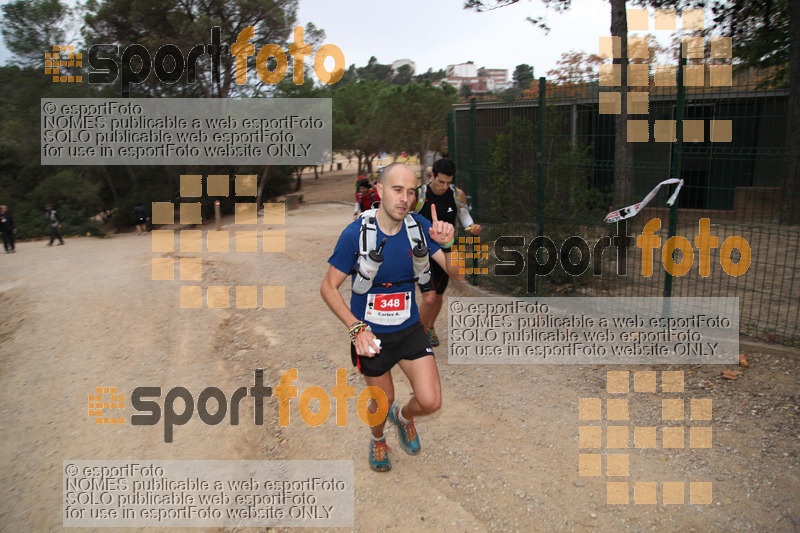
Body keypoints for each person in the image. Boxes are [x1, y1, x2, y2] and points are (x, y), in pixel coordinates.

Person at [321, 163, 463, 472]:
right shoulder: (356, 232)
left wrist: (451, 243)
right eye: (398, 190)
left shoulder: (419, 227)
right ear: (381, 191)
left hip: (409, 327)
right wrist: (355, 328)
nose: (405, 199)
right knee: (381, 401)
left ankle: (403, 418)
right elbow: (328, 287)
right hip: (370, 333)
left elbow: (459, 272)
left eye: (411, 192)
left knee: (430, 401)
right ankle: (377, 438)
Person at [414, 157, 481, 346]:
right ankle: (417, 334)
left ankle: (429, 327)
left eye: (448, 182)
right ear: (432, 176)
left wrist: (472, 227)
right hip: (422, 253)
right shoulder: (419, 195)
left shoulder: (457, 194)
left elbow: (464, 215)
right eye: (440, 181)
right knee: (429, 297)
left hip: (446, 252)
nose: (444, 186)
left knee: (438, 296)